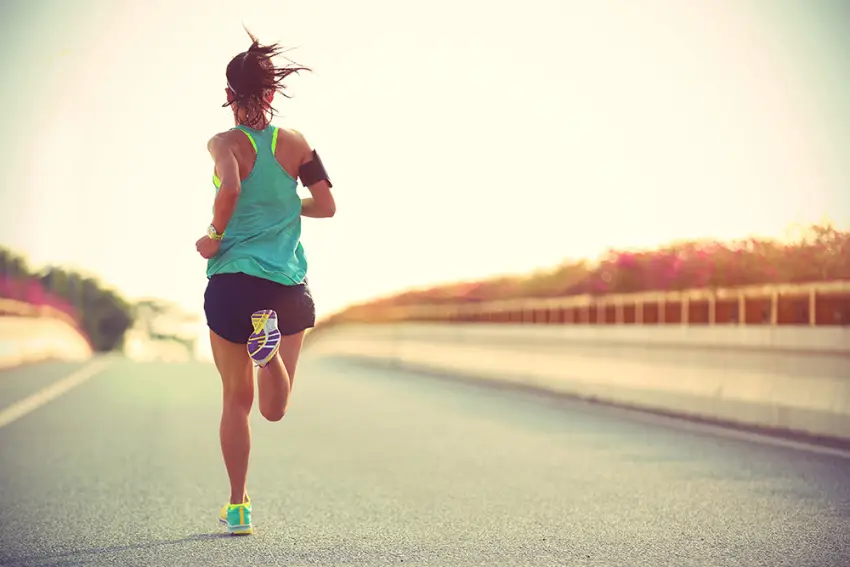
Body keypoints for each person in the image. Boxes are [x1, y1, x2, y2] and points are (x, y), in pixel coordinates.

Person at [195, 29, 336, 536]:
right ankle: (269, 353)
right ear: (273, 94)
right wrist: (284, 207)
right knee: (275, 408)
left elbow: (230, 186)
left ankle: (237, 507)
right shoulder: (296, 143)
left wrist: (213, 235)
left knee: (237, 401)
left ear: (229, 96)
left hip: (233, 282)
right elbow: (327, 206)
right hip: (285, 288)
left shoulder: (223, 143)